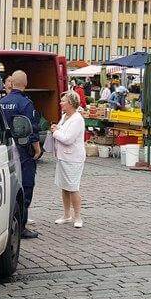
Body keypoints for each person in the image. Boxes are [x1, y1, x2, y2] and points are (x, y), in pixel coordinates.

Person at [0, 70, 41, 239]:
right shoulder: (25, 103)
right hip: (23, 152)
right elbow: (32, 129)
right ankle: (21, 226)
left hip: (4, 150)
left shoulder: (1, 102)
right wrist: (37, 149)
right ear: (25, 83)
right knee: (26, 186)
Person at [50, 91, 86, 228]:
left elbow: (68, 139)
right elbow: (62, 131)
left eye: (63, 101)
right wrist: (57, 128)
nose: (60, 103)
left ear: (70, 103)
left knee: (72, 187)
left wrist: (55, 132)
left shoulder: (77, 119)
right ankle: (66, 214)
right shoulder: (65, 116)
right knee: (64, 187)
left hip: (73, 158)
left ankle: (78, 216)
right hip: (63, 157)